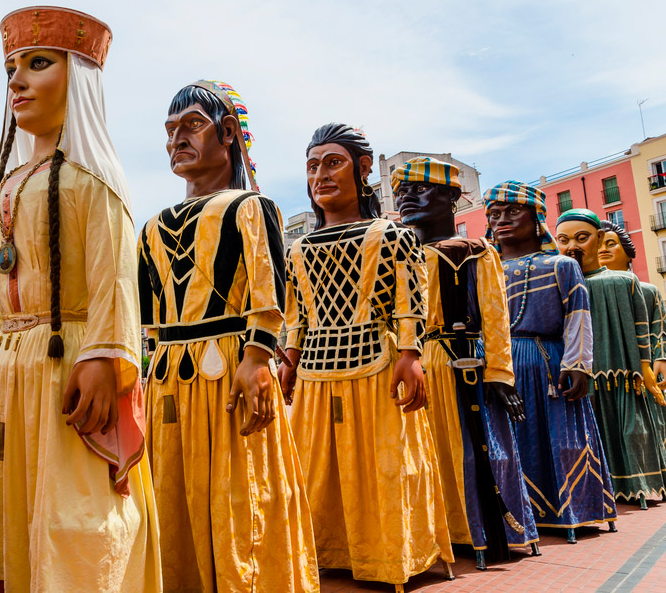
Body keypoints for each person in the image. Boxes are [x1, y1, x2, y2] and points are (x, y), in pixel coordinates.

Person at [0, 6, 161, 592]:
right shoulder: (6, 187)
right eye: (12, 67)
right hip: (7, 372)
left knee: (75, 520)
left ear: (80, 80)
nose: (16, 80)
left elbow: (115, 279)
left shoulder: (96, 183)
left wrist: (104, 357)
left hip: (65, 370)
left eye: (37, 64)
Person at [138, 81, 318, 591]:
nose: (177, 139)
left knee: (241, 494)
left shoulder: (250, 207)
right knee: (172, 495)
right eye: (170, 130)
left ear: (229, 134)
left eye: (192, 125)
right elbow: (147, 317)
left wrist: (258, 358)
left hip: (231, 372)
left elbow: (270, 290)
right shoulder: (149, 227)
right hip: (169, 379)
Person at [278, 125, 453, 590]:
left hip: (377, 362)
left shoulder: (393, 235)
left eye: (332, 163)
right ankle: (323, 549)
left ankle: (390, 555)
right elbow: (296, 314)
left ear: (362, 168)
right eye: (312, 166)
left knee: (387, 466)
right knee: (313, 468)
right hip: (315, 371)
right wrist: (289, 359)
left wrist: (410, 351)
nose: (320, 175)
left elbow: (408, 298)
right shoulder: (297, 249)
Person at [393, 159, 538, 569]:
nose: (406, 198)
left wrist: (500, 372)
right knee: (425, 455)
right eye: (401, 191)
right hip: (416, 366)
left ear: (452, 197)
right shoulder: (399, 253)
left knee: (480, 453)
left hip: (465, 363)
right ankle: (440, 533)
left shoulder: (477, 251)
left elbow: (496, 315)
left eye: (420, 189)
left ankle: (483, 532)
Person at [484, 182, 616, 542]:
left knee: (563, 437)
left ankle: (576, 509)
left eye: (514, 212)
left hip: (549, 363)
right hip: (501, 364)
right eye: (494, 214)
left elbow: (578, 316)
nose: (502, 220)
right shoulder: (485, 268)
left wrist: (578, 364)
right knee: (511, 441)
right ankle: (521, 513)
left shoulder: (561, 265)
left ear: (536, 217)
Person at [555, 209, 666, 507]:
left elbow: (646, 329)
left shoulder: (626, 283)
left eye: (582, 237)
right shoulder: (558, 285)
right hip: (582, 378)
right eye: (563, 240)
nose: (572, 246)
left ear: (599, 238)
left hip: (624, 376)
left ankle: (638, 485)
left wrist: (649, 366)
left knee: (632, 431)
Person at [599, 220, 666, 392]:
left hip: (645, 372)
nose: (603, 249)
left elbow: (659, 329)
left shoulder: (649, 291)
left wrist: (662, 358)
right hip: (603, 374)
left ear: (628, 253)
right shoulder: (586, 289)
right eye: (599, 244)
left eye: (611, 244)